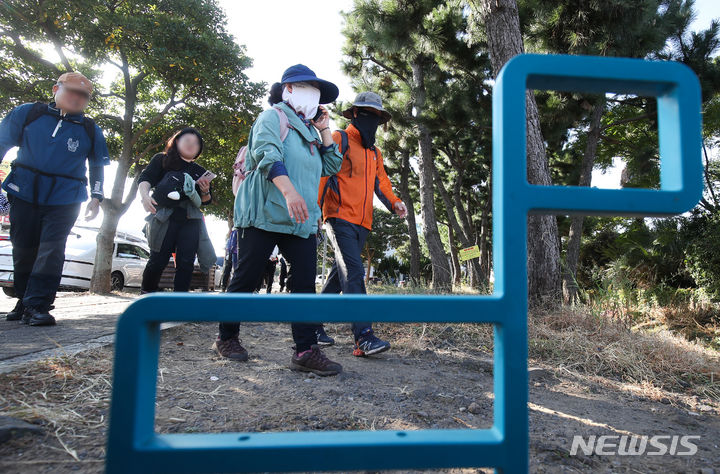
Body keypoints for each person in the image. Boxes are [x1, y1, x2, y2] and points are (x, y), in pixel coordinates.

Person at [215, 64, 344, 376]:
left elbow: (331, 164)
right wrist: (289, 192)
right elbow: (266, 155)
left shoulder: (310, 132)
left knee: (303, 284)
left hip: (299, 219)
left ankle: (304, 350)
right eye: (306, 87)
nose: (313, 94)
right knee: (246, 278)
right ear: (288, 89)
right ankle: (227, 337)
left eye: (317, 91)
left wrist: (325, 129)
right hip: (265, 212)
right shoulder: (272, 117)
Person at [0, 72, 109, 326]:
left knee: (51, 249)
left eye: (83, 95)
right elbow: (3, 143)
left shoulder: (90, 129)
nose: (77, 98)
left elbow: (97, 165)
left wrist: (96, 196)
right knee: (24, 248)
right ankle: (24, 300)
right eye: (72, 91)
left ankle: (38, 305)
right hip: (24, 190)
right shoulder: (28, 113)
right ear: (55, 89)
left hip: (66, 197)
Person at [317, 91, 408, 356]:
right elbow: (324, 175)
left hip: (363, 221)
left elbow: (382, 183)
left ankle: (310, 323)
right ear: (355, 114)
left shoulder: (375, 153)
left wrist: (394, 202)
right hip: (338, 215)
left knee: (339, 275)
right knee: (354, 272)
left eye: (376, 118)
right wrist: (316, 212)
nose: (371, 121)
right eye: (366, 114)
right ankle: (364, 336)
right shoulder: (339, 138)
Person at [138, 128, 215, 293]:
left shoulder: (200, 171)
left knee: (186, 262)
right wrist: (145, 196)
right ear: (177, 141)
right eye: (187, 140)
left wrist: (205, 190)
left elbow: (206, 201)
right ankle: (146, 297)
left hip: (190, 220)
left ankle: (180, 304)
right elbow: (145, 179)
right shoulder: (162, 159)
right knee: (158, 259)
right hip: (164, 217)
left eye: (196, 144)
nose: (191, 145)